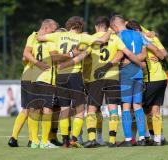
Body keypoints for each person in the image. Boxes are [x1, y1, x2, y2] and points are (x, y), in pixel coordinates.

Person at [57, 16, 142, 148]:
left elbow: (82, 55)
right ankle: (112, 141)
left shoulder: (92, 38)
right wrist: (140, 63)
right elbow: (126, 53)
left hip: (96, 78)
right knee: (113, 109)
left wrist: (65, 64)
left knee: (92, 109)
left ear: (97, 26)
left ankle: (91, 139)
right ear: (107, 26)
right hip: (113, 77)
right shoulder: (115, 38)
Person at [37, 16, 114, 148]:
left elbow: (39, 37)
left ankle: (65, 140)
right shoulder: (82, 38)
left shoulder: (58, 36)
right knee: (80, 110)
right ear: (80, 26)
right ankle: (73, 139)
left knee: (64, 109)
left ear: (69, 25)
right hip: (74, 76)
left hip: (60, 76)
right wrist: (110, 30)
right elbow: (103, 40)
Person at [126, 20, 168, 145]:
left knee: (137, 107)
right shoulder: (153, 37)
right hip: (161, 78)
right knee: (154, 109)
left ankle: (140, 137)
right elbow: (165, 53)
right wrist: (161, 59)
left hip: (151, 79)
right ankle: (158, 138)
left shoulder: (141, 38)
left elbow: (152, 52)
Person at [110, 15, 149, 146]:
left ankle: (128, 139)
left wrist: (124, 63)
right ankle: (142, 137)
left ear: (115, 26)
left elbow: (119, 56)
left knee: (126, 107)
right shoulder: (139, 34)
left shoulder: (118, 36)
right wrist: (138, 62)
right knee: (137, 105)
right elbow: (144, 54)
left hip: (126, 75)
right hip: (138, 73)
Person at [23, 19, 59, 149]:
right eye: (52, 30)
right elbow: (55, 57)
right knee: (47, 109)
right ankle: (44, 142)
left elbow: (26, 54)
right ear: (45, 28)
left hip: (34, 77)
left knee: (34, 109)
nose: (54, 33)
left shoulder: (32, 37)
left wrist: (36, 63)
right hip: (47, 78)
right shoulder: (50, 40)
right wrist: (72, 55)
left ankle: (34, 141)